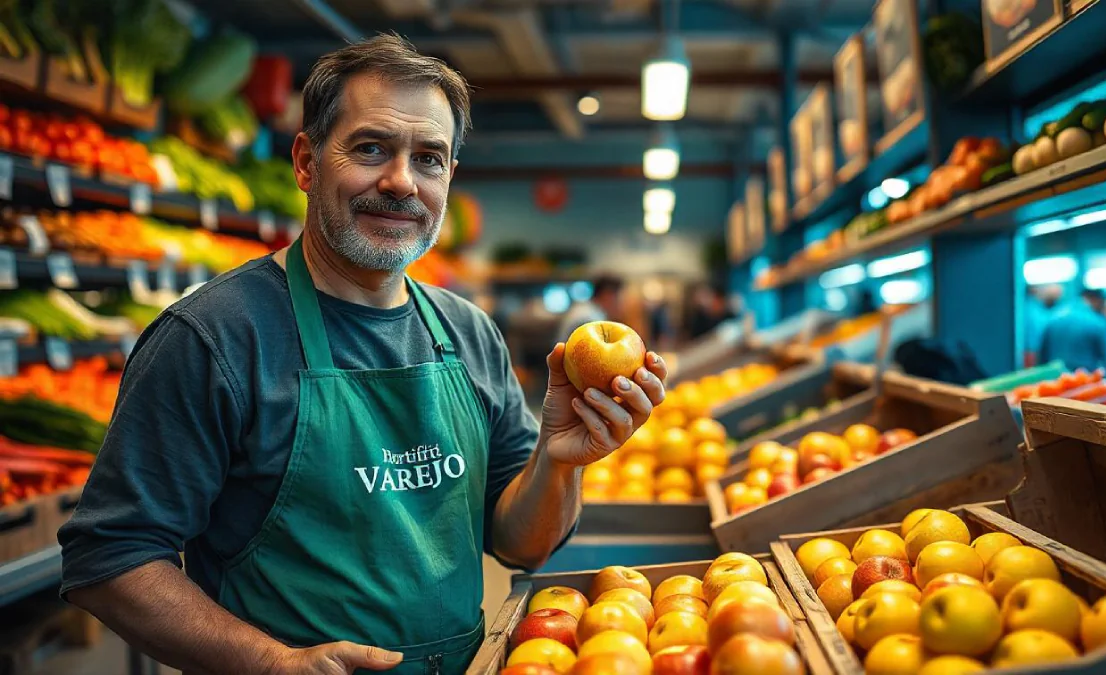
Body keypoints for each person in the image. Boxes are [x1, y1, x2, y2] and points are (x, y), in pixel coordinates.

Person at [57, 35, 667, 675]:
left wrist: (560, 461)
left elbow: (519, 544)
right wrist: (272, 663)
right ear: (306, 162)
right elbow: (110, 557)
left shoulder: (469, 333)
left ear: (449, 179)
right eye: (371, 148)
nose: (401, 181)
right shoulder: (213, 338)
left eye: (429, 158)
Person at [1040, 289, 1106, 373]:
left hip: (1055, 381)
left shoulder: (1052, 318)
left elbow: (1042, 358)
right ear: (1097, 300)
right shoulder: (1097, 322)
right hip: (1086, 381)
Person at [557, 273, 623, 342]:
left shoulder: (584, 307)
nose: (619, 305)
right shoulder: (591, 319)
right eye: (617, 298)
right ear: (607, 296)